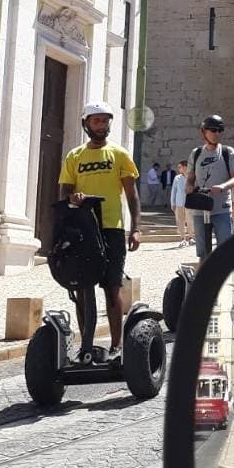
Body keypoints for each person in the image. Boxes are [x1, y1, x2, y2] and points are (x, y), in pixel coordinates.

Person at [58, 101, 141, 360]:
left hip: (111, 230)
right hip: (82, 231)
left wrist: (135, 229)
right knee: (82, 288)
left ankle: (117, 346)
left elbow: (132, 195)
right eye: (96, 121)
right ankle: (87, 347)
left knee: (112, 288)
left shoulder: (119, 154)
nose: (101, 126)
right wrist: (74, 199)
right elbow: (64, 192)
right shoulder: (74, 156)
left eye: (105, 121)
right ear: (86, 124)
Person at [185, 115, 234, 259]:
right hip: (201, 209)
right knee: (203, 254)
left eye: (220, 130)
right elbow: (190, 179)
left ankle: (224, 280)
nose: (217, 133)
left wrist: (223, 186)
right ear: (203, 132)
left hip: (222, 209)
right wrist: (188, 187)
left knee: (225, 252)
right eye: (213, 130)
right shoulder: (196, 153)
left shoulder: (227, 152)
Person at [170, 159, 191, 245]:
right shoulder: (177, 178)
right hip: (179, 203)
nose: (179, 169)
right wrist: (172, 203)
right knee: (180, 221)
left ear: (185, 167)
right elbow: (173, 191)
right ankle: (182, 238)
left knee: (190, 221)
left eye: (180, 167)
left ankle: (190, 237)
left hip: (190, 203)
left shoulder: (191, 177)